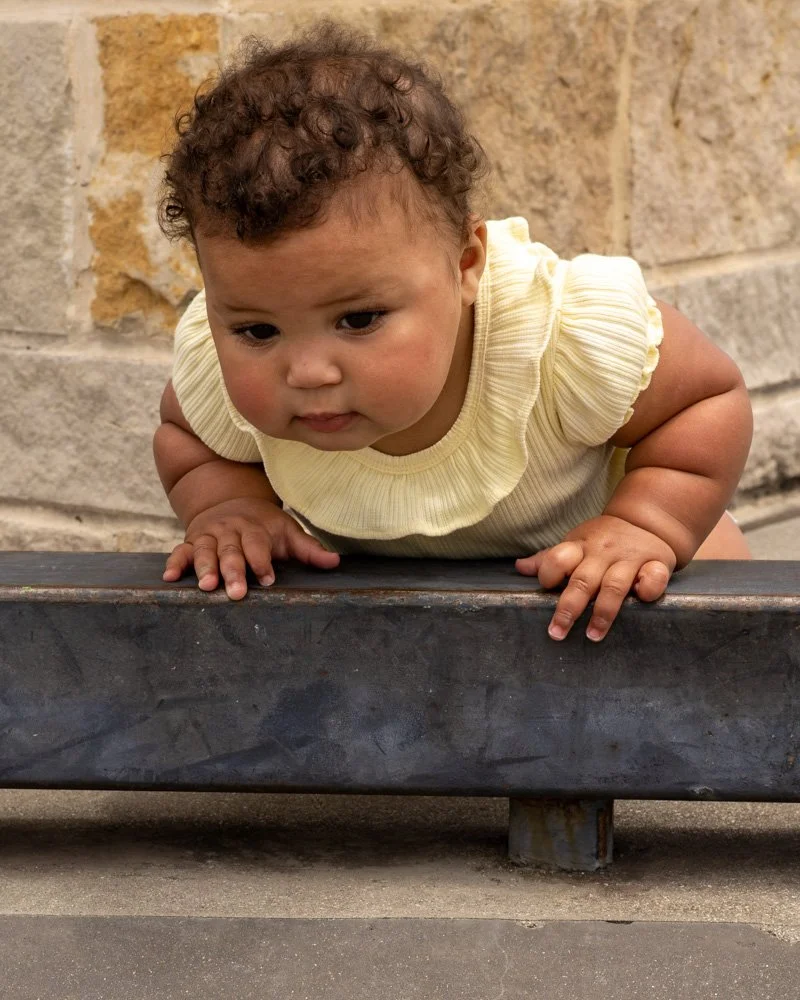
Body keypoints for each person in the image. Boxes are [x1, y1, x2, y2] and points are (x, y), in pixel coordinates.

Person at [153, 18, 753, 644]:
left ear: (465, 265)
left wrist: (649, 523)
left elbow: (705, 400)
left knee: (720, 623)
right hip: (426, 625)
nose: (306, 372)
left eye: (358, 320)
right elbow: (186, 437)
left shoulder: (555, 334)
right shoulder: (219, 367)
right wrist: (228, 506)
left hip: (598, 576)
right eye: (256, 330)